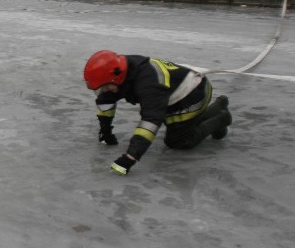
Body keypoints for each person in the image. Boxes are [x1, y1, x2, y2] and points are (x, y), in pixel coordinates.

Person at [83, 50, 232, 175]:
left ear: (116, 77)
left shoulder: (149, 84)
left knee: (178, 141)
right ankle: (219, 105)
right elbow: (106, 100)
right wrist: (105, 131)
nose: (104, 91)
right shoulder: (121, 69)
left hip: (192, 94)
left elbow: (151, 121)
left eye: (105, 87)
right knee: (177, 123)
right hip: (171, 94)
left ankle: (222, 117)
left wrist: (130, 157)